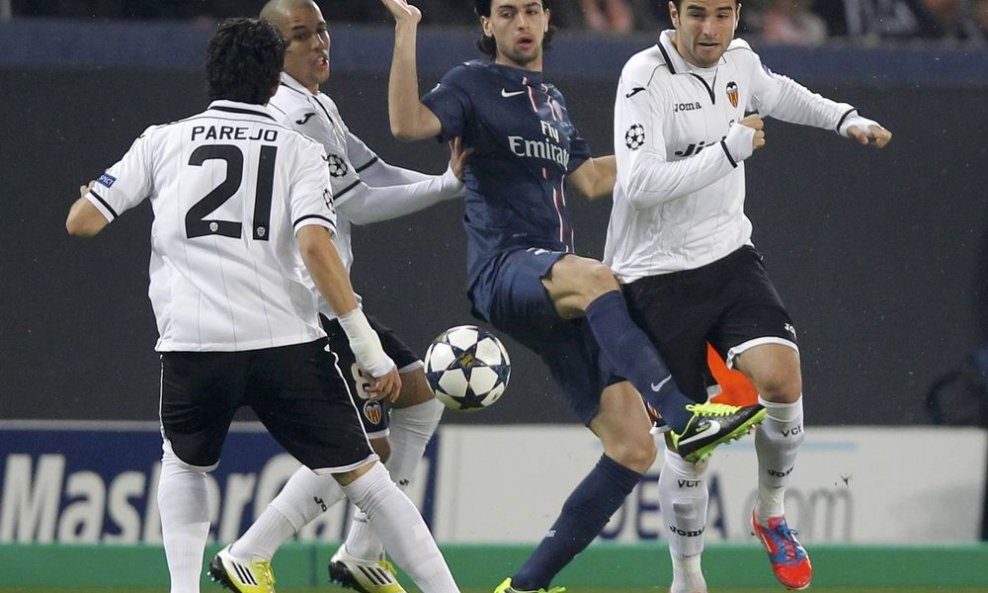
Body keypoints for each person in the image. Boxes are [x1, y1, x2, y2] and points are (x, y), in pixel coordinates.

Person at [377, 1, 767, 592]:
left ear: (547, 18)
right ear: (487, 25)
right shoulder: (471, 82)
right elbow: (406, 124)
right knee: (598, 277)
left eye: (531, 9)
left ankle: (524, 586)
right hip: (505, 267)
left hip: (555, 288)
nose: (522, 22)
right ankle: (685, 415)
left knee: (634, 447)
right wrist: (407, 29)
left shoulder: (553, 100)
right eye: (506, 13)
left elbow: (591, 181)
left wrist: (694, 147)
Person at [64, 17, 462, 593]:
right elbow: (315, 246)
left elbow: (84, 222)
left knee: (183, 464)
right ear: (273, 78)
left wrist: (87, 200)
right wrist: (368, 347)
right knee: (367, 478)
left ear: (212, 75)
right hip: (285, 344)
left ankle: (183, 589)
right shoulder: (298, 149)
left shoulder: (162, 140)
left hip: (193, 345)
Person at [606, 1, 892, 591]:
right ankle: (687, 576)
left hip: (729, 258)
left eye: (722, 15)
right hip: (653, 274)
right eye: (697, 14)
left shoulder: (740, 60)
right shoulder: (644, 77)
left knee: (783, 382)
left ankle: (771, 513)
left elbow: (780, 92)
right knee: (690, 447)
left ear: (737, 16)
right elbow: (637, 186)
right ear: (673, 13)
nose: (709, 30)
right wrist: (729, 152)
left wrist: (844, 118)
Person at [205, 3, 468, 593]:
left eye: (321, 29)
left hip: (324, 297)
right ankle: (251, 551)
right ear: (274, 50)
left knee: (419, 396)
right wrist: (447, 188)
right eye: (302, 36)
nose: (320, 43)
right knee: (362, 446)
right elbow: (358, 203)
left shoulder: (315, 102)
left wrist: (443, 183)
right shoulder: (288, 112)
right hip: (309, 304)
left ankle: (361, 550)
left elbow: (368, 170)